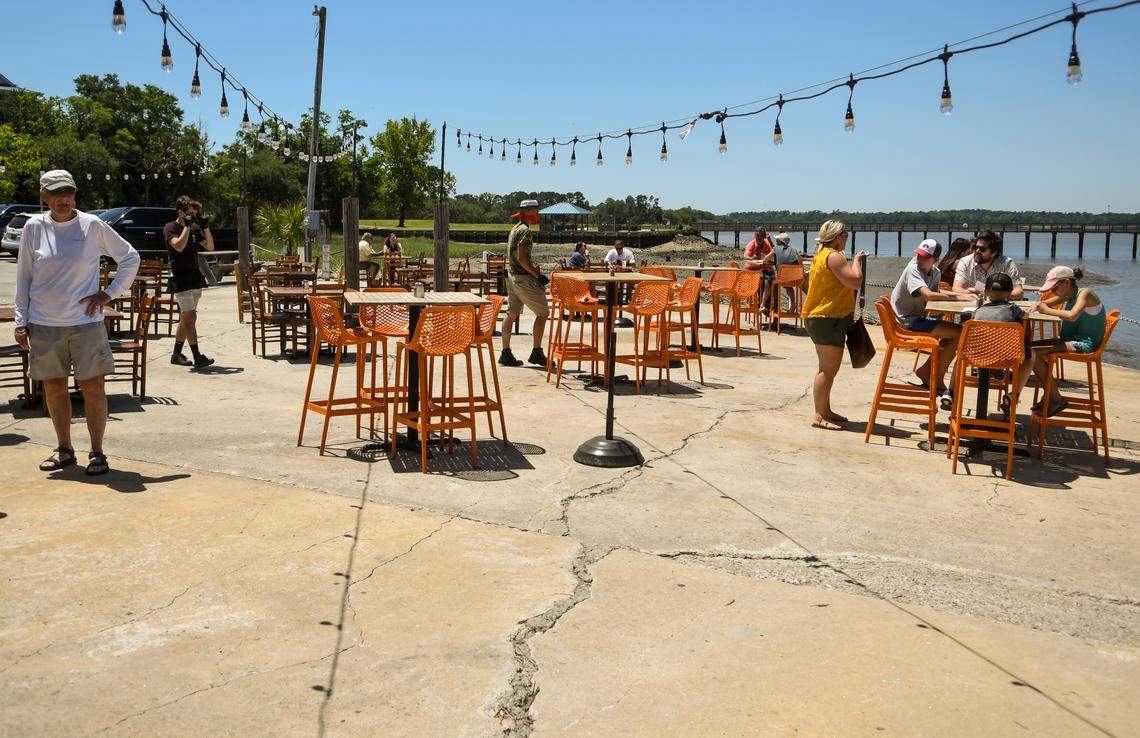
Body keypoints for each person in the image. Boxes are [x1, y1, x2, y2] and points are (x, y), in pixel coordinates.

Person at [13, 170, 140, 475]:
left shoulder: (91, 225)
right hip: (44, 323)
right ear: (43, 197)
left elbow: (129, 257)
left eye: (68, 193)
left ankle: (97, 452)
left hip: (85, 323)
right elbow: (24, 278)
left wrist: (108, 295)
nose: (63, 199)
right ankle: (64, 448)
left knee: (92, 387)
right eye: (56, 194)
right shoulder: (34, 227)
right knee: (54, 388)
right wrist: (21, 321)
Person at [800, 220, 866, 430]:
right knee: (828, 370)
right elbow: (854, 281)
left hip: (823, 317)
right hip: (827, 318)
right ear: (837, 237)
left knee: (827, 369)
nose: (847, 236)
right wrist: (857, 261)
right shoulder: (834, 256)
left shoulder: (821, 254)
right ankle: (819, 415)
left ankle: (825, 410)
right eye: (845, 233)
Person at [1015, 266, 1106, 416]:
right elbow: (1044, 304)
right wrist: (1037, 306)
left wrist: (1045, 310)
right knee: (1028, 348)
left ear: (1066, 283)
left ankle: (1055, 398)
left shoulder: (1086, 294)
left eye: (1054, 287)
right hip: (1068, 340)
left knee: (1032, 353)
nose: (1052, 291)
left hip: (1084, 344)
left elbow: (1072, 316)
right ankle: (1050, 394)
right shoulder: (1068, 294)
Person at [890, 239, 974, 401]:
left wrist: (964, 295)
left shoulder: (935, 272)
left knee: (957, 333)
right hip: (906, 322)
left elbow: (936, 295)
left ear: (935, 259)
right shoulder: (912, 268)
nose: (919, 259)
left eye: (924, 257)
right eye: (919, 255)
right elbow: (928, 295)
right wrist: (958, 297)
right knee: (961, 333)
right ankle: (937, 379)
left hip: (916, 319)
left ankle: (926, 371)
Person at [971, 272, 1034, 416]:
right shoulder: (1012, 308)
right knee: (1030, 357)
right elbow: (1025, 316)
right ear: (1010, 292)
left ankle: (952, 392)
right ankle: (1014, 394)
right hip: (1007, 356)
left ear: (986, 291)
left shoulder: (978, 311)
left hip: (976, 356)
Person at [163, 196, 215, 368]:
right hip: (180, 277)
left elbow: (209, 246)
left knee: (186, 318)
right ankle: (198, 356)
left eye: (194, 214)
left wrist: (205, 227)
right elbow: (178, 245)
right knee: (190, 317)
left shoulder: (193, 227)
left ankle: (176, 354)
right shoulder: (171, 227)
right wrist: (186, 227)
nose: (193, 217)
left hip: (194, 276)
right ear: (180, 212)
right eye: (190, 213)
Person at [499, 199, 550, 367]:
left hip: (512, 276)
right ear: (529, 212)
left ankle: (505, 352)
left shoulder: (515, 229)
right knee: (542, 313)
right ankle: (536, 351)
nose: (537, 214)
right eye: (536, 211)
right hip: (523, 278)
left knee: (511, 312)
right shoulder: (526, 231)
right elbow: (522, 257)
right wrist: (536, 273)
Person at [953, 230, 1024, 299]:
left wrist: (993, 295)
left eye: (982, 249)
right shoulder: (965, 262)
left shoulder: (1007, 263)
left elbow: (1019, 292)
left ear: (994, 252)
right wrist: (967, 292)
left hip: (998, 307)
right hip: (971, 305)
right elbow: (956, 288)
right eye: (975, 247)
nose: (977, 251)